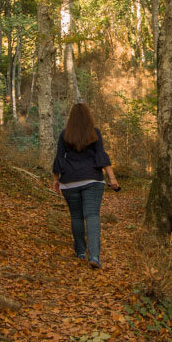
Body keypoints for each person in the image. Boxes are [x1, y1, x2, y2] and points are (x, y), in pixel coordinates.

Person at [51, 103, 120, 269]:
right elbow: (101, 156)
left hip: (70, 181)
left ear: (71, 118)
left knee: (76, 217)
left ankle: (80, 252)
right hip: (92, 180)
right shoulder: (94, 133)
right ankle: (94, 256)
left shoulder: (64, 134)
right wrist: (112, 178)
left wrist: (56, 179)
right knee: (92, 216)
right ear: (88, 117)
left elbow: (59, 157)